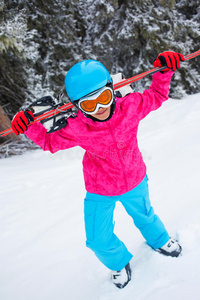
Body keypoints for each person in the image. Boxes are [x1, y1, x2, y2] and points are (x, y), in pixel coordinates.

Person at [11, 51, 185, 289]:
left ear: (112, 89)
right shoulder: (77, 127)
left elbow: (156, 95)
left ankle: (160, 240)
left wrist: (165, 70)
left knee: (145, 215)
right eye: (89, 104)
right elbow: (49, 142)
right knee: (96, 239)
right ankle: (117, 263)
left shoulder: (130, 106)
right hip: (100, 189)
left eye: (103, 97)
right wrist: (28, 127)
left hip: (135, 179)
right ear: (77, 106)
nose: (100, 107)